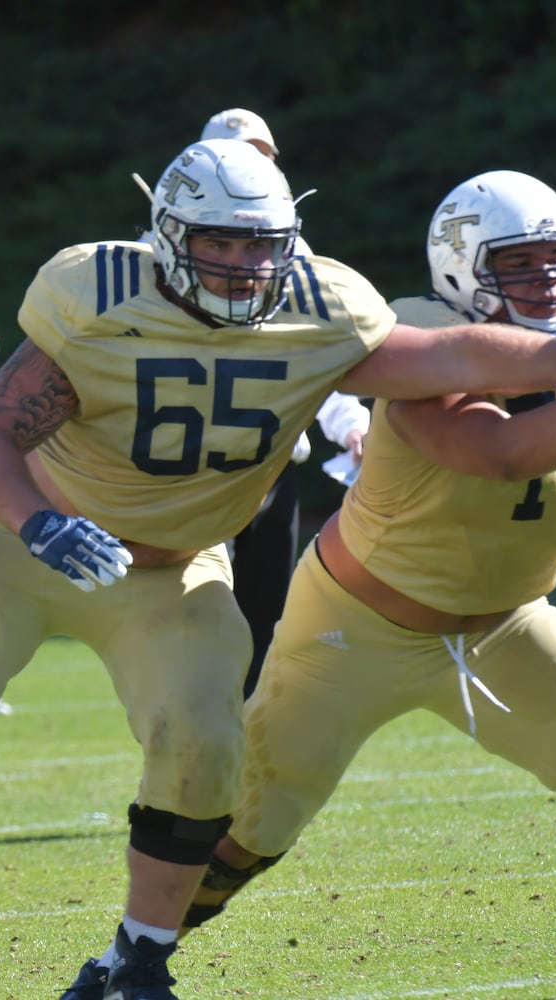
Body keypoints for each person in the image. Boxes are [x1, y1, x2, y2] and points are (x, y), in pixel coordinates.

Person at [0, 139, 556, 1000]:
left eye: (260, 244)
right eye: (221, 243)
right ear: (170, 235)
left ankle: (137, 963)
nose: (244, 265)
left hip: (178, 568)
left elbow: (453, 359)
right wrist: (36, 521)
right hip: (29, 540)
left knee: (207, 748)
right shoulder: (99, 295)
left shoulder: (320, 311)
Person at [179, 171, 556, 989]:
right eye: (520, 264)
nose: (547, 280)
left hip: (506, 624)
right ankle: (135, 950)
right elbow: (498, 453)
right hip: (354, 628)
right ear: (460, 268)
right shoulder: (423, 333)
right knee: (251, 831)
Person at [198, 109, 373, 696]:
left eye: (262, 156)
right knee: (193, 628)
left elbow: (313, 358)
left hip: (270, 472)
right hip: (187, 472)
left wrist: (352, 426)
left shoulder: (292, 254)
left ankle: (244, 763)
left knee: (264, 627)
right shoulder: (164, 251)